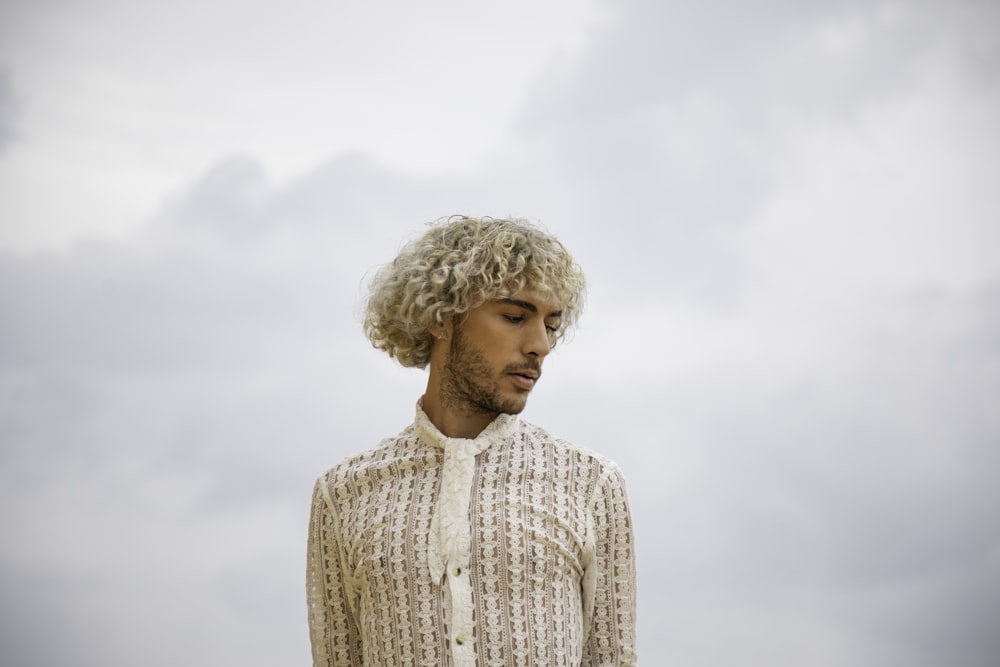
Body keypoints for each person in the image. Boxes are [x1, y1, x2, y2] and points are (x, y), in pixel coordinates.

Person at [306, 215, 637, 666]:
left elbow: (614, 658)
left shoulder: (589, 482)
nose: (540, 344)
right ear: (442, 318)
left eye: (552, 326)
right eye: (515, 317)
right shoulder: (344, 492)